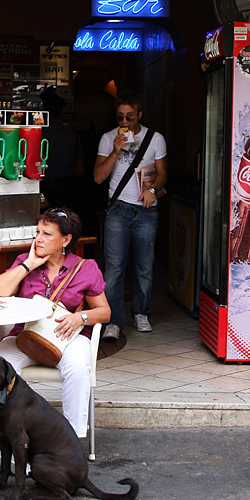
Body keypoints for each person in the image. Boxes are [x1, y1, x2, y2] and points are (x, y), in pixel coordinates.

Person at [0, 207, 111, 438]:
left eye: (47, 234)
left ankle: (71, 438)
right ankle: (9, 434)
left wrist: (80, 317)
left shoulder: (85, 268)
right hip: (24, 336)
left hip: (66, 337)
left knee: (77, 368)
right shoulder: (25, 261)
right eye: (37, 232)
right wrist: (30, 264)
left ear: (66, 239)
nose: (38, 239)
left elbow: (104, 312)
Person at [93, 91, 167, 338]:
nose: (124, 123)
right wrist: (115, 151)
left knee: (144, 266)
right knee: (114, 267)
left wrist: (153, 190)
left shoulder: (155, 139)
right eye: (120, 117)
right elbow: (98, 177)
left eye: (130, 117)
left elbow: (162, 173)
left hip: (146, 211)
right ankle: (114, 320)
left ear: (140, 116)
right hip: (118, 210)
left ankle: (141, 312)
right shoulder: (108, 138)